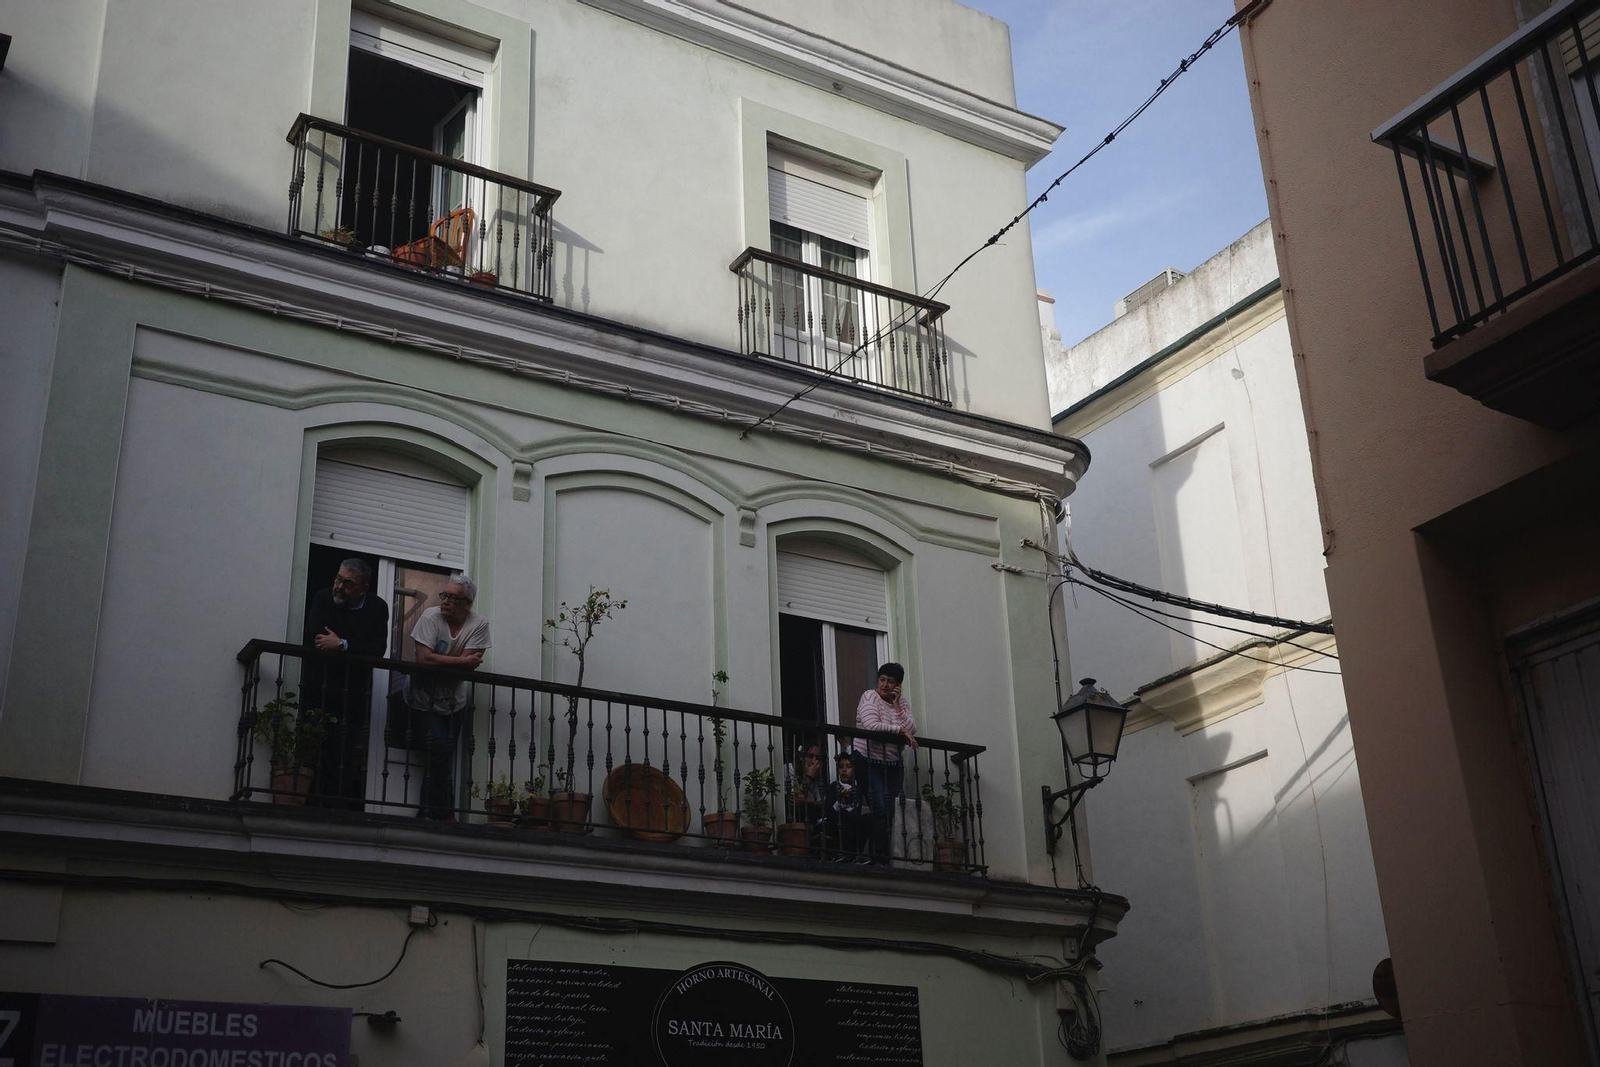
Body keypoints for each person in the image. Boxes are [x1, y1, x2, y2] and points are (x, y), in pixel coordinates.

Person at [302, 558, 390, 808]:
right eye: (338, 579)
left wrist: (342, 644)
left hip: (353, 692)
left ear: (364, 588)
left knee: (345, 749)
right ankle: (312, 804)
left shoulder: (377, 607)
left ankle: (338, 805)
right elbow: (316, 639)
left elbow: (377, 649)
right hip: (319, 687)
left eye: (348, 583)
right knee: (314, 746)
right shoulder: (322, 598)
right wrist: (349, 649)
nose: (339, 586)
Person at [407, 574, 491, 820]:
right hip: (424, 698)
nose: (444, 601)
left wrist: (451, 662)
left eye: (452, 598)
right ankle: (441, 813)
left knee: (441, 755)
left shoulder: (479, 624)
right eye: (444, 595)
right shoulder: (430, 617)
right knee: (438, 748)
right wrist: (459, 661)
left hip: (455, 703)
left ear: (467, 603)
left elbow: (471, 664)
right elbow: (424, 658)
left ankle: (430, 811)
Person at [851, 662, 917, 863]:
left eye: (891, 681)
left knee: (888, 812)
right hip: (868, 760)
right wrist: (898, 730)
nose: (885, 685)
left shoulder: (902, 703)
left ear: (898, 685)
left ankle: (876, 855)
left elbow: (912, 728)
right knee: (879, 808)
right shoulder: (869, 696)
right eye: (882, 680)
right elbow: (871, 725)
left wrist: (896, 707)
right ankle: (877, 857)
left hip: (893, 765)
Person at [823, 751, 871, 862]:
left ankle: (856, 854)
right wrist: (841, 800)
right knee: (847, 815)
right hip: (834, 822)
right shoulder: (833, 786)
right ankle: (844, 853)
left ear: (853, 769)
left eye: (848, 767)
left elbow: (856, 810)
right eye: (841, 767)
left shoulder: (857, 790)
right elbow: (828, 812)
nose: (844, 770)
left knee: (868, 819)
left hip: (852, 821)